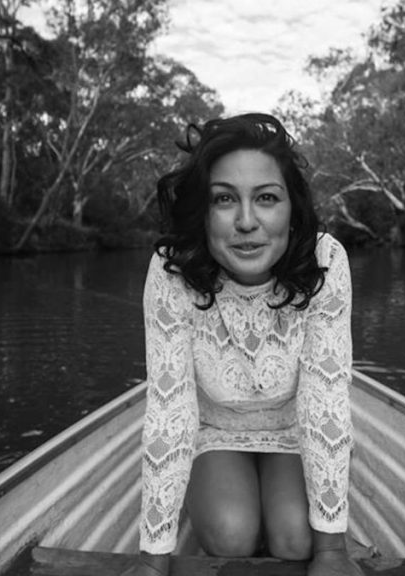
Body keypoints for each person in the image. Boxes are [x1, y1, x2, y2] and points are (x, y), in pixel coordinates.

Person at [123, 113, 363, 576]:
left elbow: (325, 398)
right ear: (202, 211)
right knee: (232, 534)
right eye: (224, 199)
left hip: (294, 428)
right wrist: (152, 563)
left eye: (267, 198)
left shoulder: (325, 260)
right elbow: (170, 408)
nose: (247, 222)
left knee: (297, 540)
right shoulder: (172, 270)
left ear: (292, 209)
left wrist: (332, 552)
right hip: (215, 428)